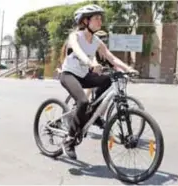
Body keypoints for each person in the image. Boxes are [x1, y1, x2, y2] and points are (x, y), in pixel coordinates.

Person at [59, 4, 138, 160]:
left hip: (84, 76)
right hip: (69, 75)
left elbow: (111, 57)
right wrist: (90, 63)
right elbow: (78, 51)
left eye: (101, 19)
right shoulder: (75, 36)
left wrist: (128, 68)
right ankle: (69, 140)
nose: (100, 21)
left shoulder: (96, 41)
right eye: (96, 18)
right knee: (82, 102)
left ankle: (93, 113)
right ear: (85, 21)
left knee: (110, 78)